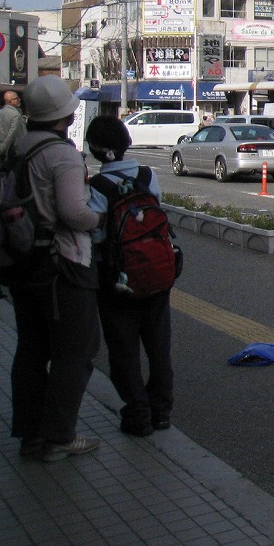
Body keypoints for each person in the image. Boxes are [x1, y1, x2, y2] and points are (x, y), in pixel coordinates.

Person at [7, 75, 102, 462]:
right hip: (62, 264)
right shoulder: (61, 154)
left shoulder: (20, 146)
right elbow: (74, 212)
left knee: (31, 349)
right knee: (76, 350)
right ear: (66, 114)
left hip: (23, 261)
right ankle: (59, 437)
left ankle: (30, 435)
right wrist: (99, 218)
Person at [86, 116, 174, 437]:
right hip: (157, 273)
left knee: (123, 350)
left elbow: (97, 236)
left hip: (117, 280)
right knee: (158, 346)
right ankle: (161, 411)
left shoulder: (98, 186)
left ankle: (138, 413)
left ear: (95, 149)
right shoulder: (148, 176)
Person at [0, 89, 25, 160]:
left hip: (1, 151)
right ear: (11, 101)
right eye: (17, 98)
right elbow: (12, 133)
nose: (19, 100)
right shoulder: (16, 115)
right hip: (13, 153)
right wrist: (3, 148)